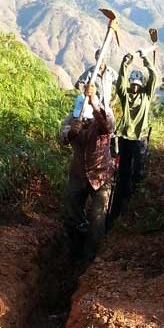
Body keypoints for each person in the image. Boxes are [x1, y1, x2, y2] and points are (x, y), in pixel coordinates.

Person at [60, 83, 115, 262]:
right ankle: (74, 249)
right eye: (81, 119)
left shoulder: (101, 119)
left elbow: (107, 126)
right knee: (71, 211)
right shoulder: (72, 120)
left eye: (87, 119)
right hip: (78, 174)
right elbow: (62, 136)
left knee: (98, 220)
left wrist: (93, 103)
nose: (84, 122)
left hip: (101, 176)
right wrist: (70, 133)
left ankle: (90, 259)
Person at [111, 51, 157, 226]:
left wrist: (146, 60)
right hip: (125, 137)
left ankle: (135, 201)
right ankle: (121, 200)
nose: (135, 87)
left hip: (139, 138)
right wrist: (125, 64)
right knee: (123, 171)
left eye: (138, 84)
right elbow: (120, 83)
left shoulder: (146, 95)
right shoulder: (125, 96)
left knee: (138, 171)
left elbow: (154, 76)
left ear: (141, 84)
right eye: (133, 83)